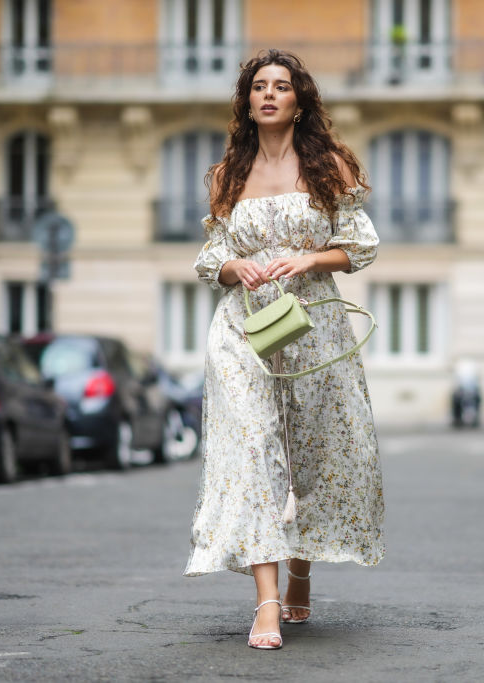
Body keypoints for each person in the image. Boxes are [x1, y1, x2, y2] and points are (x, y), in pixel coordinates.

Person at [183, 49, 385, 651]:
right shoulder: (227, 174)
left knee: (317, 452)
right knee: (251, 452)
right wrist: (234, 266)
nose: (269, 94)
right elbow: (210, 258)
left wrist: (309, 259)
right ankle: (266, 603)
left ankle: (301, 568)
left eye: (281, 86)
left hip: (315, 324)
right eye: (259, 86)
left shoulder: (328, 166)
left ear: (299, 102)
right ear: (247, 103)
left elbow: (361, 246)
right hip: (243, 329)